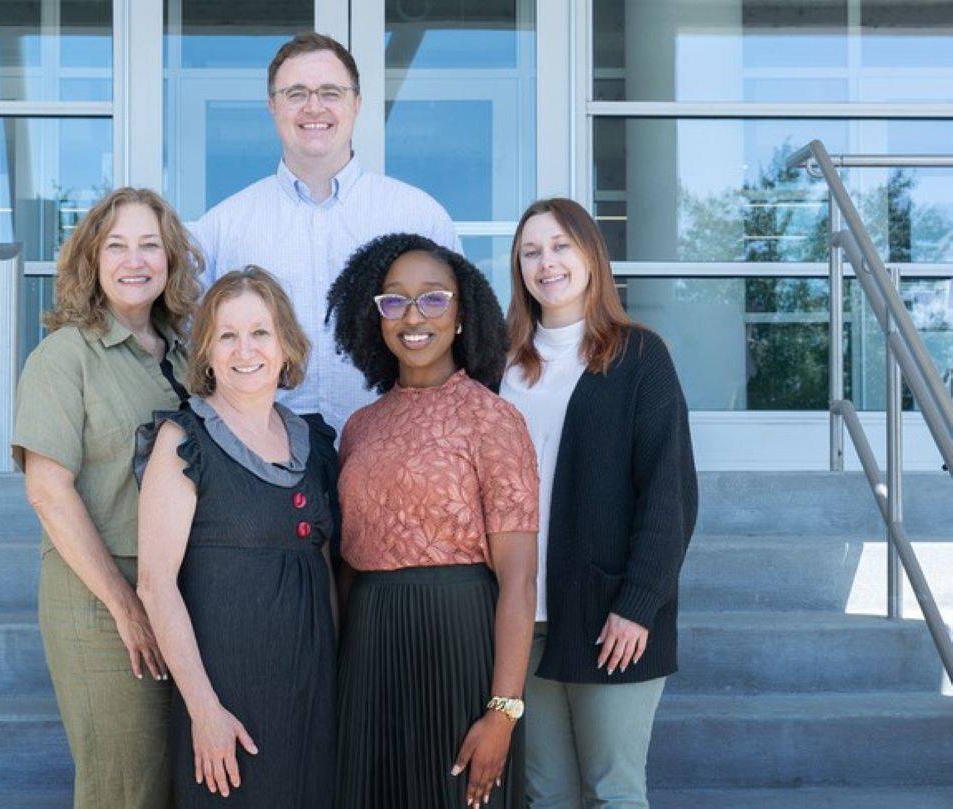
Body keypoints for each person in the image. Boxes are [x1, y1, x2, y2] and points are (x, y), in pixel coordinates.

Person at [326, 233, 539, 809]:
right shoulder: (360, 427)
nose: (412, 316)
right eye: (393, 301)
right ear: (376, 318)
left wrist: (503, 711)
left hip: (459, 646)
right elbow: (346, 565)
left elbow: (519, 581)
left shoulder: (494, 420)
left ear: (463, 314)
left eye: (433, 299)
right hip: (369, 651)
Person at [499, 198, 698, 808]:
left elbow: (670, 495)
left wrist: (639, 605)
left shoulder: (640, 357)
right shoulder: (499, 366)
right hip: (522, 620)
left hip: (612, 619)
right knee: (546, 795)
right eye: (531, 251)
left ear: (591, 255)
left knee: (613, 792)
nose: (546, 262)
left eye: (560, 246)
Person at [11, 187, 201, 809]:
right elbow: (47, 491)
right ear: (91, 259)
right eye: (116, 245)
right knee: (127, 787)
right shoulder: (65, 357)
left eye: (150, 244)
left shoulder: (183, 355)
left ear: (171, 259)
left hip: (171, 589)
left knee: (175, 781)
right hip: (102, 597)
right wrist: (124, 605)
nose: (134, 259)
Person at [134, 266, 339, 808]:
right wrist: (204, 710)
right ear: (205, 352)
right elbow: (155, 585)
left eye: (260, 333)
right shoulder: (184, 440)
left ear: (286, 346)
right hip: (227, 695)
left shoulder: (314, 443)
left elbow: (323, 563)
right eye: (227, 335)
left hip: (311, 691)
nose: (244, 350)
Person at [192, 32, 460, 432]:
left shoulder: (420, 217)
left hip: (394, 451)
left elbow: (460, 338)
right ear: (272, 105)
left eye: (330, 92)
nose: (314, 107)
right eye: (296, 93)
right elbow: (195, 353)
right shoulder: (222, 228)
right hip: (265, 463)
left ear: (357, 103)